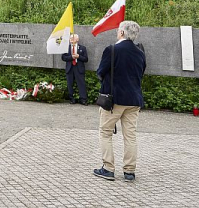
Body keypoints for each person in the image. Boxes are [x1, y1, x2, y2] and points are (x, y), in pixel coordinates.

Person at [93, 21, 147, 182]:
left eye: (118, 30)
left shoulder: (112, 50)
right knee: (130, 136)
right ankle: (129, 171)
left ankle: (108, 168)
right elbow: (141, 72)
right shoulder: (140, 52)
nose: (117, 32)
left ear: (122, 33)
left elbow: (100, 72)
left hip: (114, 99)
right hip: (134, 99)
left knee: (105, 132)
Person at [61, 33, 88, 105]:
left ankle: (83, 99)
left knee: (81, 83)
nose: (71, 40)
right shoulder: (66, 48)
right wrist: (71, 57)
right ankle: (71, 98)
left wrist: (78, 56)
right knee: (70, 84)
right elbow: (63, 57)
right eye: (70, 38)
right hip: (70, 68)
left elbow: (86, 59)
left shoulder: (82, 48)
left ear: (77, 39)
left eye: (73, 38)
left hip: (79, 68)